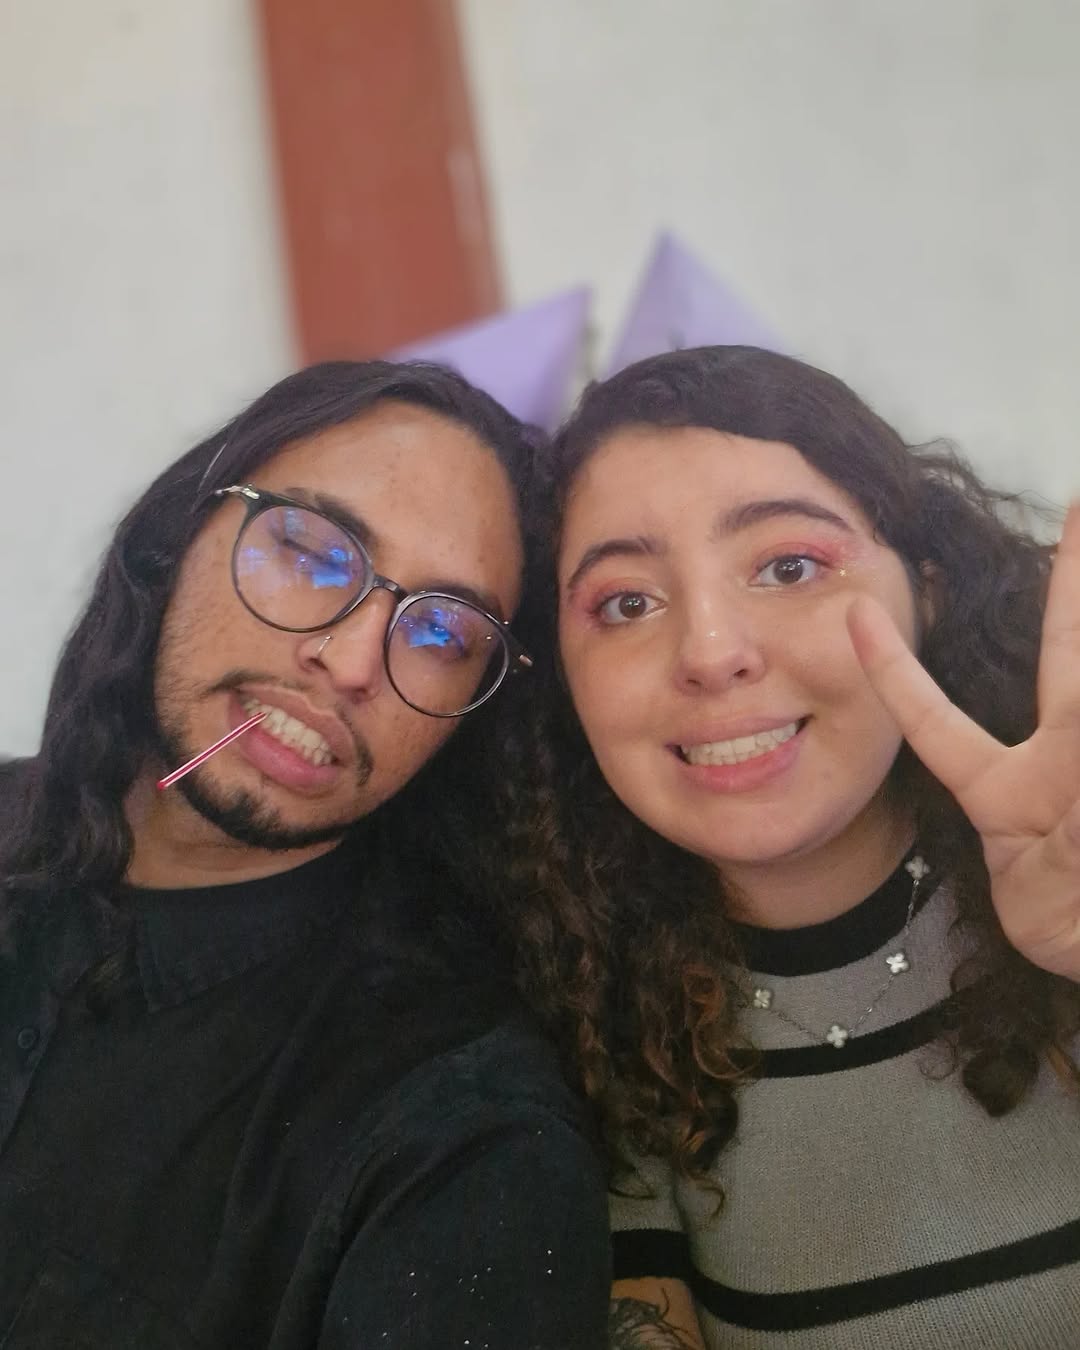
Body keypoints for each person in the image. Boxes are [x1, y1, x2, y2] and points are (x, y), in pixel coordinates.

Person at [0, 360, 610, 1348]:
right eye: (315, 555)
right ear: (182, 532)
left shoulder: (458, 1132)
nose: (354, 660)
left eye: (440, 631)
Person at [505, 344, 1080, 1347]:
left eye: (788, 566)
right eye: (627, 603)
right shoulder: (588, 1022)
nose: (711, 653)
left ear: (928, 591)